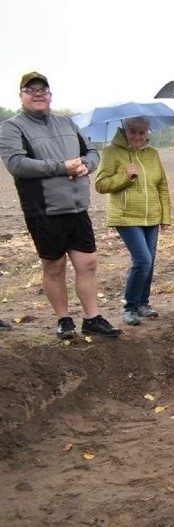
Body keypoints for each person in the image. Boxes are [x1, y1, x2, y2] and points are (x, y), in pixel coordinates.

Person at [0, 71, 121, 339]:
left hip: (77, 206)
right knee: (54, 266)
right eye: (31, 90)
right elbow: (16, 164)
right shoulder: (12, 127)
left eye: (42, 89)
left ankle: (92, 318)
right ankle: (63, 319)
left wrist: (86, 166)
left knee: (87, 263)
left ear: (50, 95)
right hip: (44, 209)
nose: (38, 93)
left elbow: (92, 152)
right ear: (21, 96)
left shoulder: (67, 123)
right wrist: (61, 167)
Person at [95, 117, 171, 326]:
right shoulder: (111, 152)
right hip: (126, 217)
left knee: (149, 262)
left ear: (148, 132)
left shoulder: (152, 154)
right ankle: (130, 307)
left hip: (152, 216)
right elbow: (101, 184)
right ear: (124, 130)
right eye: (133, 131)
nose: (137, 136)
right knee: (143, 260)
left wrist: (165, 215)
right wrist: (125, 176)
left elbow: (162, 185)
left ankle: (143, 303)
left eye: (142, 132)